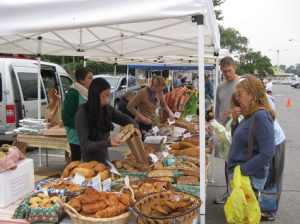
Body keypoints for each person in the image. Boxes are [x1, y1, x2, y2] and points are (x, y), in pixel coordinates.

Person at [228, 75, 276, 220]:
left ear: (251, 95)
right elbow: (238, 138)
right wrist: (235, 121)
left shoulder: (261, 116)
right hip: (242, 174)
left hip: (248, 177)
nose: (237, 99)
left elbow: (268, 153)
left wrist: (242, 170)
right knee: (241, 216)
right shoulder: (250, 115)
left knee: (246, 217)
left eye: (240, 95)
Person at [75, 78, 137, 164]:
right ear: (95, 96)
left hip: (105, 159)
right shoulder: (82, 113)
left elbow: (125, 119)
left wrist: (135, 128)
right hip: (89, 163)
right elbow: (85, 145)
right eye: (104, 96)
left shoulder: (107, 109)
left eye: (108, 96)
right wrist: (108, 142)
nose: (107, 100)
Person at [214, 56, 240, 204]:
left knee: (240, 162)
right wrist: (216, 130)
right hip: (225, 131)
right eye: (224, 72)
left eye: (229, 71)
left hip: (240, 128)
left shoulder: (242, 83)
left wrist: (235, 112)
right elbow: (217, 111)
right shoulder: (220, 87)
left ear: (234, 67)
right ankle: (228, 191)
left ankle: (239, 193)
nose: (227, 74)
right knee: (227, 162)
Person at [62, 68, 93, 161]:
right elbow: (66, 117)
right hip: (76, 137)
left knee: (88, 163)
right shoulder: (73, 94)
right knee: (77, 162)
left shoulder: (87, 93)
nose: (92, 80)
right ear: (81, 80)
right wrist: (82, 126)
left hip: (87, 135)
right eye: (90, 78)